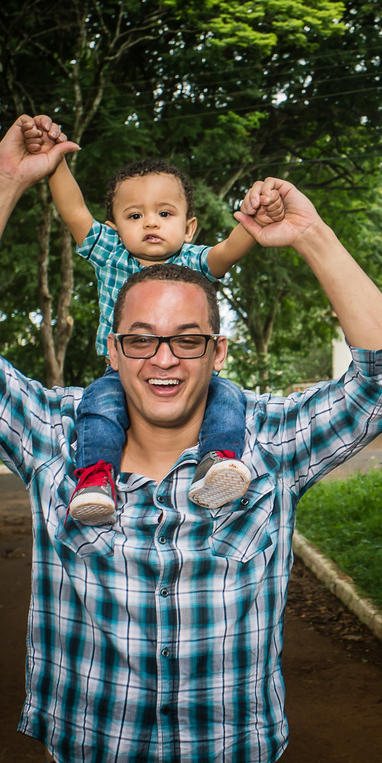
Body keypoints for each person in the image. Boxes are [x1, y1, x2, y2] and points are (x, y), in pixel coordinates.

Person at [0, 114, 382, 763]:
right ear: (115, 350)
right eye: (141, 338)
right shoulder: (54, 437)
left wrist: (311, 235)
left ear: (217, 349)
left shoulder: (273, 442)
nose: (165, 360)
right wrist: (6, 180)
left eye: (188, 339)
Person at [21, 115, 270, 525]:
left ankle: (218, 462)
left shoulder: (193, 260)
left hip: (190, 371)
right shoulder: (109, 254)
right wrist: (55, 163)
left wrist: (254, 219)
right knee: (98, 408)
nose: (150, 222)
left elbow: (228, 250)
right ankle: (96, 479)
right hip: (121, 370)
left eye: (164, 213)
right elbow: (74, 210)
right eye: (134, 216)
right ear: (115, 227)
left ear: (189, 227)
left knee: (227, 399)